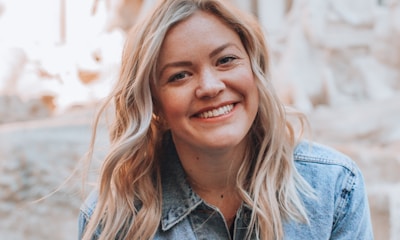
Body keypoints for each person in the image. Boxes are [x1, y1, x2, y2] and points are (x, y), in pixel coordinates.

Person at [78, 0, 373, 239]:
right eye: (179, 75)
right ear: (155, 106)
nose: (210, 86)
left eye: (226, 60)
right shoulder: (112, 221)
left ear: (254, 72)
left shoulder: (334, 186)